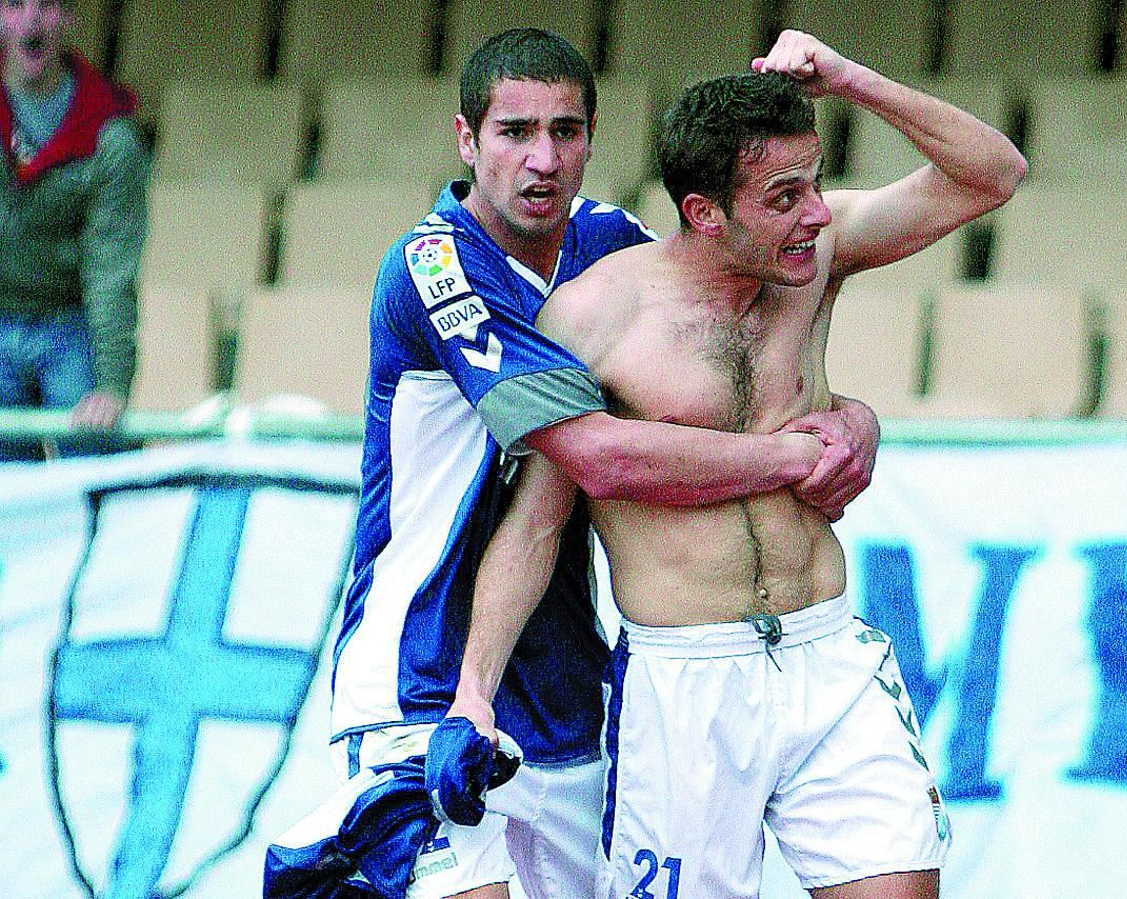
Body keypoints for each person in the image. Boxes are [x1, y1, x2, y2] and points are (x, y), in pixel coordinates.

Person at [278, 27, 880, 899]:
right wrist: (796, 454)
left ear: (593, 139)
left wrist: (854, 417)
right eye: (514, 132)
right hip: (424, 675)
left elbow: (717, 370)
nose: (543, 158)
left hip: (566, 686)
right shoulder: (433, 265)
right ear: (465, 139)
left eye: (565, 131)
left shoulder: (612, 244)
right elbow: (598, 454)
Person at [450, 29, 1026, 899]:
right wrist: (473, 693)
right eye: (784, 196)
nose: (817, 214)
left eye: (817, 183)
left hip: (826, 649)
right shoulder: (594, 317)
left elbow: (993, 174)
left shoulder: (816, 257)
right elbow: (537, 523)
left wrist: (851, 80)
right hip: (685, 680)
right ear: (705, 212)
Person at [0, 0, 147, 461]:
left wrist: (112, 384)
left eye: (47, 4)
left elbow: (111, 270)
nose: (31, 19)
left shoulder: (111, 136)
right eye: (15, 4)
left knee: (95, 465)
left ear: (70, 18)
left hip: (70, 325)